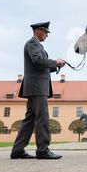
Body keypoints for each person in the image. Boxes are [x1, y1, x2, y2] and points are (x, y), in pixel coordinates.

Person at [11, 21, 66, 159]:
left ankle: (17, 150)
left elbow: (40, 65)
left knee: (30, 119)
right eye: (46, 32)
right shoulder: (32, 44)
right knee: (42, 118)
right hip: (37, 88)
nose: (47, 35)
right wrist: (55, 62)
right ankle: (43, 150)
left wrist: (56, 66)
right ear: (38, 31)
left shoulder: (36, 45)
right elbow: (38, 61)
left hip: (35, 87)